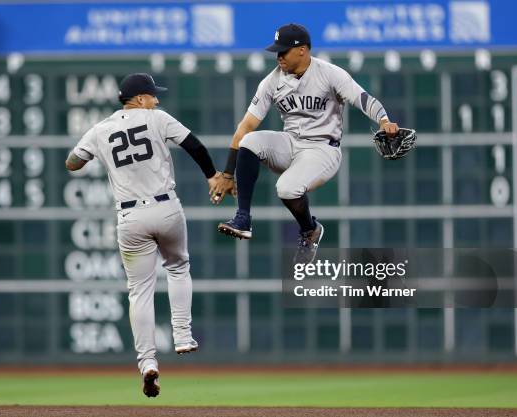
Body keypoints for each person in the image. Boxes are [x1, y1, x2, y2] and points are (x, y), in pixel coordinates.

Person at [65, 73, 221, 398]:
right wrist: (212, 176)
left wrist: (95, 153)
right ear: (139, 99)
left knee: (139, 291)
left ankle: (148, 362)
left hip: (130, 217)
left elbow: (72, 163)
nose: (157, 100)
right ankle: (182, 336)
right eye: (152, 95)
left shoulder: (101, 129)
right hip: (166, 210)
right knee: (178, 267)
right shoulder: (156, 118)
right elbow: (194, 145)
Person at [210, 23, 399, 264]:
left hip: (322, 149)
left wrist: (384, 119)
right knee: (250, 140)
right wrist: (227, 173)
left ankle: (310, 230)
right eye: (277, 51)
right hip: (291, 143)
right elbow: (244, 127)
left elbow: (362, 98)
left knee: (286, 188)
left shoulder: (329, 73)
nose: (278, 56)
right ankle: (243, 218)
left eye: (283, 51)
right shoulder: (272, 81)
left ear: (302, 50)